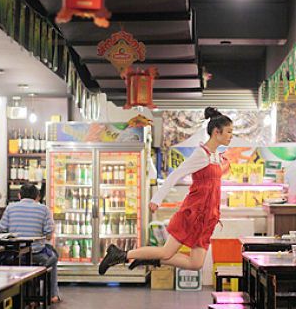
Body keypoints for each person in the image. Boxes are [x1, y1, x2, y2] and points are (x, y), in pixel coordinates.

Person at [99, 107, 233, 274]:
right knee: (166, 252)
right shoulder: (202, 154)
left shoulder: (216, 156)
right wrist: (157, 199)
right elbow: (175, 175)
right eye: (228, 131)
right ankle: (121, 254)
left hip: (207, 217)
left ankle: (149, 257)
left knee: (196, 263)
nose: (231, 135)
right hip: (194, 213)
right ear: (216, 132)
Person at [0, 183, 60, 303]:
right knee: (53, 256)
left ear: (19, 195)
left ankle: (8, 294)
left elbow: (1, 230)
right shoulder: (44, 209)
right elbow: (48, 235)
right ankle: (53, 295)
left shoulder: (10, 208)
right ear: (37, 197)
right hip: (37, 255)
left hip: (14, 255)